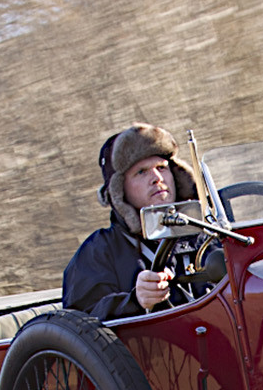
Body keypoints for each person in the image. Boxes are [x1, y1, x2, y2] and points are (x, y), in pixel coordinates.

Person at [63, 123, 203, 319]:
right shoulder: (98, 251)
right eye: (141, 172)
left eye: (162, 168)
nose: (157, 178)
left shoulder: (206, 234)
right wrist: (135, 301)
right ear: (120, 190)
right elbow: (78, 323)